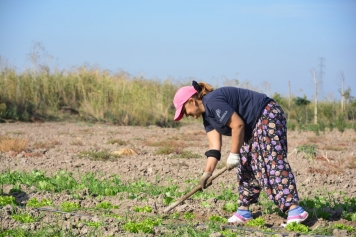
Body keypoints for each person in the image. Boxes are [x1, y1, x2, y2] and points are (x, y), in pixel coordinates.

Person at [172, 81, 308, 224]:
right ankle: (244, 211)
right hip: (252, 127)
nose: (185, 115)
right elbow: (214, 146)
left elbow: (238, 125)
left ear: (192, 101)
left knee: (271, 161)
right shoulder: (207, 118)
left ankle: (294, 209)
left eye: (184, 110)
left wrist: (234, 154)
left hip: (266, 115)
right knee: (245, 165)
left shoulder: (212, 101)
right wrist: (207, 174)